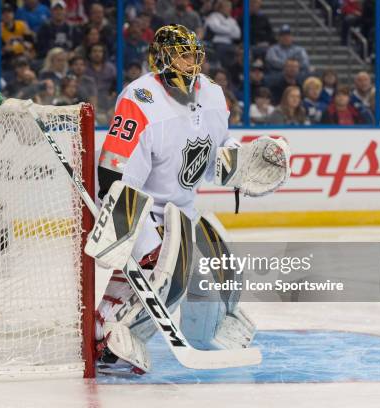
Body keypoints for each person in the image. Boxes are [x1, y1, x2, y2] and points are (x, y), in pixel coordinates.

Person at [92, 24, 276, 374]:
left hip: (180, 210)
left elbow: (214, 159)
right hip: (132, 201)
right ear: (162, 58)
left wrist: (240, 165)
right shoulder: (140, 97)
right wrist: (123, 226)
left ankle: (209, 328)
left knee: (217, 266)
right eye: (183, 54)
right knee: (161, 264)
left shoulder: (213, 95)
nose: (193, 63)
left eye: (195, 54)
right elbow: (114, 169)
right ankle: (107, 334)